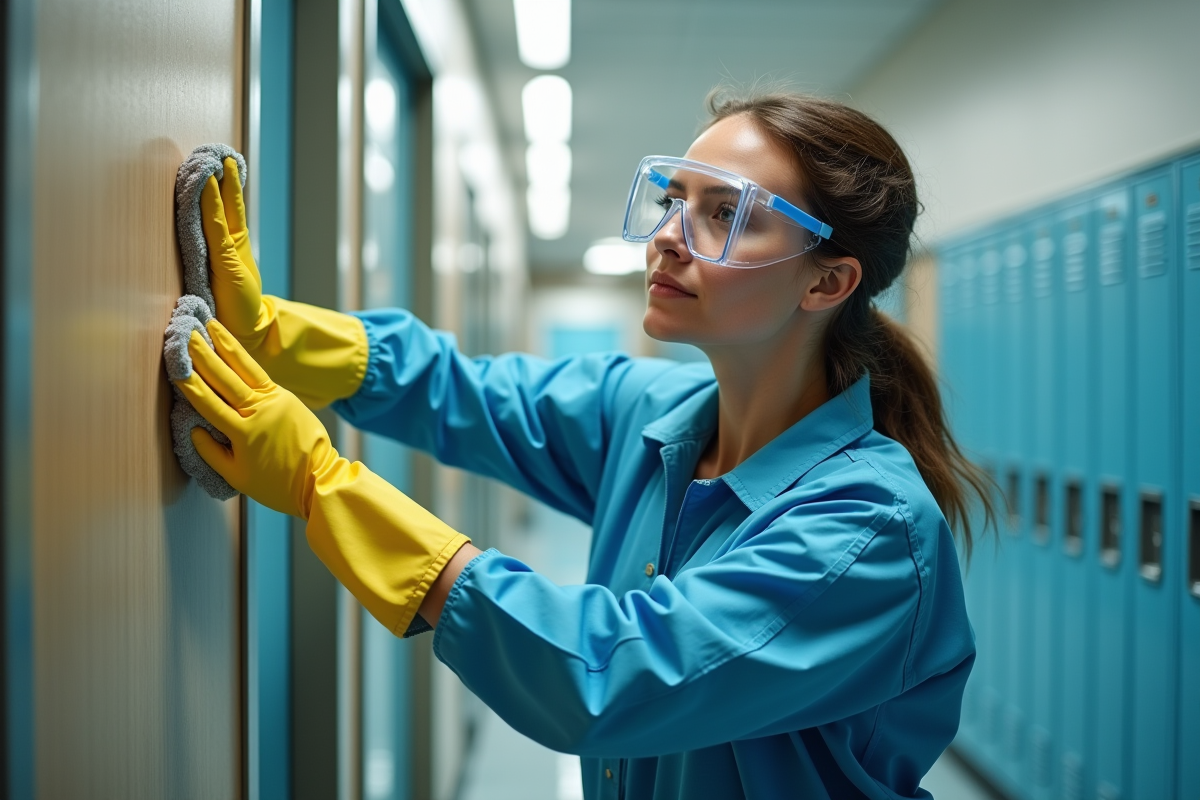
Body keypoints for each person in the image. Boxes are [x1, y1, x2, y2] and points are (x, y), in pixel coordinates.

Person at [174, 90, 995, 799]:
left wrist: (325, 486)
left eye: (725, 214)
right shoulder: (655, 412)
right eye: (674, 200)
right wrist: (279, 335)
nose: (669, 235)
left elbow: (601, 678)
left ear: (827, 281)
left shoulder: (868, 532)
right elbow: (468, 392)